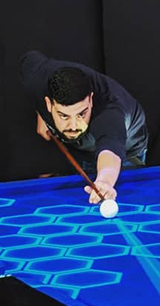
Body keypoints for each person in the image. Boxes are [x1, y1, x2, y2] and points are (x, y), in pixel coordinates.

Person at [20, 50, 148, 203]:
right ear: (49, 103)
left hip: (126, 149)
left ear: (91, 100)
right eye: (64, 116)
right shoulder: (36, 77)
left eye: (81, 114)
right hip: (82, 150)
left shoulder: (109, 113)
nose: (74, 125)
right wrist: (40, 113)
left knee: (126, 201)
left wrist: (105, 181)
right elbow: (29, 58)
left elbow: (111, 151)